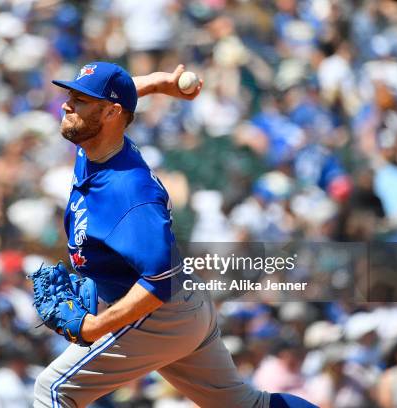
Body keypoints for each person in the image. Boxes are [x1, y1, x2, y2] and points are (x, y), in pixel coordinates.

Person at [33, 62, 316, 408]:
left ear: (110, 113)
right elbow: (120, 96)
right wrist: (156, 82)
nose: (67, 105)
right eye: (71, 95)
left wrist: (96, 327)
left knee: (53, 390)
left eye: (80, 99)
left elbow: (158, 281)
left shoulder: (131, 193)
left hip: (159, 315)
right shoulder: (98, 140)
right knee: (246, 404)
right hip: (185, 306)